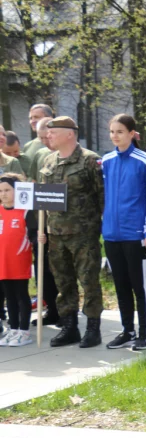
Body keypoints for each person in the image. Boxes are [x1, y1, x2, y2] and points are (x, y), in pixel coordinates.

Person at [38, 116, 105, 348]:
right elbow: (43, 199)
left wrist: (100, 228)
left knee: (89, 282)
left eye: (53, 132)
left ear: (69, 133)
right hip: (56, 235)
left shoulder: (89, 161)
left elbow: (102, 197)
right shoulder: (48, 161)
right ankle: (69, 327)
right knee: (63, 283)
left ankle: (93, 329)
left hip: (83, 234)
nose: (49, 136)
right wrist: (43, 229)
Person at [101, 115, 146, 351]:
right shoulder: (106, 160)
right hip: (112, 234)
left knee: (139, 286)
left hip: (136, 234)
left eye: (120, 131)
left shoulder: (144, 161)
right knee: (121, 285)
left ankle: (145, 333)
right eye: (112, 131)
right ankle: (127, 330)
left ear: (132, 133)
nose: (115, 136)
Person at [27, 117, 59, 328]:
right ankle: (52, 311)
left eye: (48, 136)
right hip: (41, 220)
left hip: (63, 223)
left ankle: (68, 312)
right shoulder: (39, 155)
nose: (45, 141)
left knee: (61, 270)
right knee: (43, 268)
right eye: (40, 138)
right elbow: (32, 184)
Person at [0, 174, 35, 346]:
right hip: (2, 263)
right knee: (9, 297)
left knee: (21, 295)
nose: (3, 194)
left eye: (7, 190)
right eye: (0, 191)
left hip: (19, 261)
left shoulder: (25, 211)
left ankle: (24, 331)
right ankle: (13, 329)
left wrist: (39, 239)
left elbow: (34, 234)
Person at [19, 103, 55, 180]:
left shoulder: (62, 143)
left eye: (36, 117)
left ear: (49, 118)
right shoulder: (28, 146)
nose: (32, 121)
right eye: (30, 118)